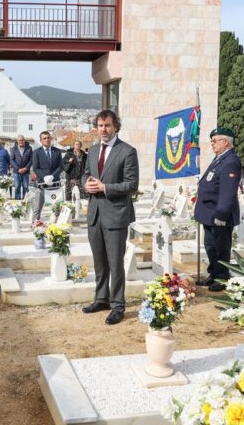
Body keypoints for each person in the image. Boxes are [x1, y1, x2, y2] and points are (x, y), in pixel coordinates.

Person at [81, 110, 139, 325]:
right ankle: (101, 298)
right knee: (99, 261)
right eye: (100, 125)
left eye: (107, 125)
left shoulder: (127, 152)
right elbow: (85, 174)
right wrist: (85, 183)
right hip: (95, 214)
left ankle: (117, 305)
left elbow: (132, 185)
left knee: (115, 263)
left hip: (116, 215)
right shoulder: (94, 150)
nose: (103, 130)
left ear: (115, 127)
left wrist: (106, 187)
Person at [194, 127, 242, 292]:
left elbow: (228, 192)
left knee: (221, 248)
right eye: (212, 141)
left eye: (215, 140)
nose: (212, 144)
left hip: (219, 215)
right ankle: (213, 274)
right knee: (210, 246)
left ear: (226, 142)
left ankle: (222, 278)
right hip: (209, 213)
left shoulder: (230, 161)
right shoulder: (219, 159)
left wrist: (221, 214)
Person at [31, 131, 62, 220]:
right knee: (37, 207)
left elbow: (60, 166)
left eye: (48, 138)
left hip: (55, 182)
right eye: (44, 138)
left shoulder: (57, 151)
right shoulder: (36, 152)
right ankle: (35, 224)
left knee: (57, 206)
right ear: (41, 141)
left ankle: (58, 226)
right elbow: (36, 168)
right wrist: (44, 177)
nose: (47, 140)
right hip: (42, 184)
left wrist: (52, 176)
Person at [10, 135, 32, 200]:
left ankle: (25, 201)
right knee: (17, 187)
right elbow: (11, 160)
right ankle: (17, 202)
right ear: (17, 141)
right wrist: (18, 169)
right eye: (19, 140)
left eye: (22, 140)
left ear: (24, 141)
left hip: (26, 171)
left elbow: (31, 160)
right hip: (16, 172)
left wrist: (26, 168)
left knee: (25, 187)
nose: (21, 141)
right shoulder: (14, 149)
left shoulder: (29, 148)